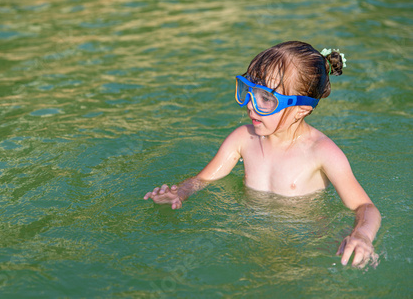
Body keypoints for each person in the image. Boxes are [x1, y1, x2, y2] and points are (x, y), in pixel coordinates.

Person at [143, 41, 381, 268]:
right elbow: (204, 179)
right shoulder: (242, 139)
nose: (250, 104)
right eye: (251, 90)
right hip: (248, 237)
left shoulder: (322, 153)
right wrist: (181, 192)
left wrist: (361, 235)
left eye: (266, 98)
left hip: (306, 244)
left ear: (301, 110)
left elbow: (365, 207)